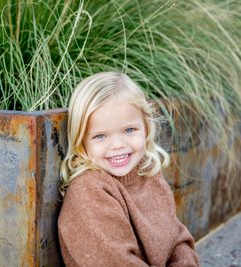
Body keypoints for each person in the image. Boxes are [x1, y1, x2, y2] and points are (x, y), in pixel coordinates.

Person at [58, 72, 200, 267]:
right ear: (81, 141)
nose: (117, 144)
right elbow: (115, 261)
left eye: (129, 130)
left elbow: (177, 239)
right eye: (100, 136)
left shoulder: (148, 174)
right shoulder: (89, 191)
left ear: (146, 128)